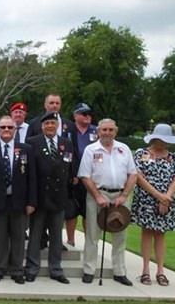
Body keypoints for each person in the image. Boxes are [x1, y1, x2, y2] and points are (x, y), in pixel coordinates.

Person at [78, 118, 137, 286]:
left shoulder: (123, 149)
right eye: (104, 130)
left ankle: (119, 271)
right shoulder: (91, 150)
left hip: (120, 197)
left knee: (120, 236)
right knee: (92, 235)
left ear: (115, 132)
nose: (107, 133)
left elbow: (133, 174)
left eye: (110, 130)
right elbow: (84, 175)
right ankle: (89, 270)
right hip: (97, 195)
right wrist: (97, 196)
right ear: (98, 131)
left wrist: (124, 195)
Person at [24, 113, 76, 284]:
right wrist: (30, 200)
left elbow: (70, 167)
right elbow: (30, 174)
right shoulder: (33, 143)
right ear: (42, 126)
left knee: (56, 236)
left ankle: (56, 269)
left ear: (57, 125)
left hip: (59, 197)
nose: (50, 126)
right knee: (35, 235)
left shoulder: (66, 143)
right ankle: (32, 268)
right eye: (47, 124)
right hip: (39, 197)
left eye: (53, 123)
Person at [0, 116, 36, 284]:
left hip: (19, 201)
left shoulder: (26, 149)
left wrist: (31, 202)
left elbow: (32, 178)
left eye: (9, 127)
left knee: (19, 237)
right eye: (3, 127)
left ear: (15, 130)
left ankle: (17, 270)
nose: (6, 130)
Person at [131, 123, 175, 286]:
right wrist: (158, 195)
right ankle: (145, 271)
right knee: (147, 232)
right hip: (146, 200)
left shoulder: (173, 157)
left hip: (166, 201)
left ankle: (161, 271)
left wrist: (166, 198)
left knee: (161, 233)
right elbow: (138, 176)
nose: (164, 143)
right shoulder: (142, 153)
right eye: (161, 139)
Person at [65, 102, 98, 247]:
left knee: (88, 211)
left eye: (89, 114)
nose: (88, 116)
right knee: (71, 210)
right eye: (84, 114)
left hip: (90, 177)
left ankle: (88, 243)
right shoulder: (68, 130)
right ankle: (70, 240)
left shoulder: (96, 131)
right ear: (76, 115)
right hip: (72, 175)